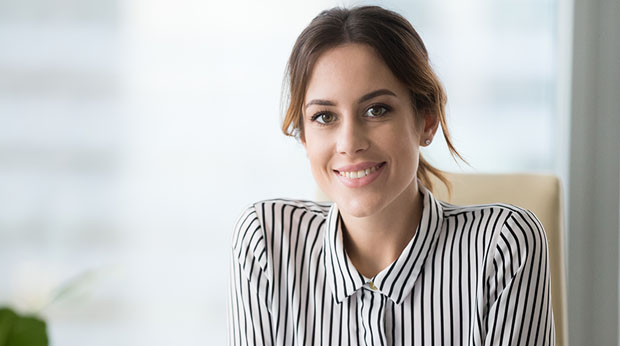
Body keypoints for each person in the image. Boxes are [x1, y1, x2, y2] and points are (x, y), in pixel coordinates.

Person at [228, 6, 555, 346]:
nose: (350, 143)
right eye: (324, 117)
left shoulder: (502, 246)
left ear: (426, 121)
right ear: (304, 137)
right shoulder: (266, 242)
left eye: (376, 110)